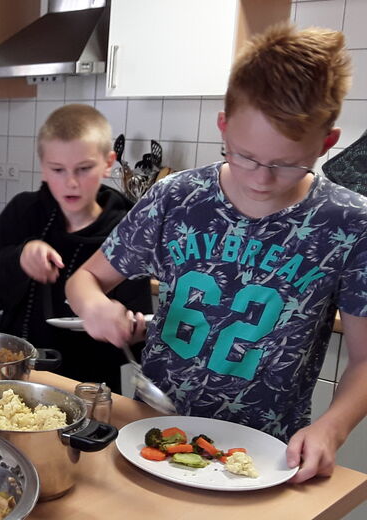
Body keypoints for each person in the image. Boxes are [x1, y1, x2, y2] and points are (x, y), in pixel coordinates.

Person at [65, 25, 367, 484]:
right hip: (155, 435)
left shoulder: (349, 224)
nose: (261, 178)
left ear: (327, 142)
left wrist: (332, 428)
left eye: (287, 163)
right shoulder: (177, 198)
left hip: (266, 456)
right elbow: (83, 280)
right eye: (244, 155)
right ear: (223, 126)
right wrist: (95, 307)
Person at [0, 104, 152, 391]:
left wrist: (129, 329)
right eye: (57, 169)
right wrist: (18, 259)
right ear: (43, 166)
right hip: (15, 375)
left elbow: (137, 324)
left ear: (108, 163)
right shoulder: (23, 212)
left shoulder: (128, 230)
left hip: (88, 387)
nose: (71, 182)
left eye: (84, 169)